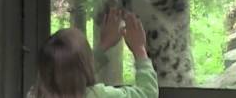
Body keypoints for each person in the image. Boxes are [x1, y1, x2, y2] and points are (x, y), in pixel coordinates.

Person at [27, 8, 158, 98]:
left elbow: (68, 73)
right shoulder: (98, 95)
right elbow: (147, 94)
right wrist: (139, 49)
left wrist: (104, 45)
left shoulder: (34, 95)